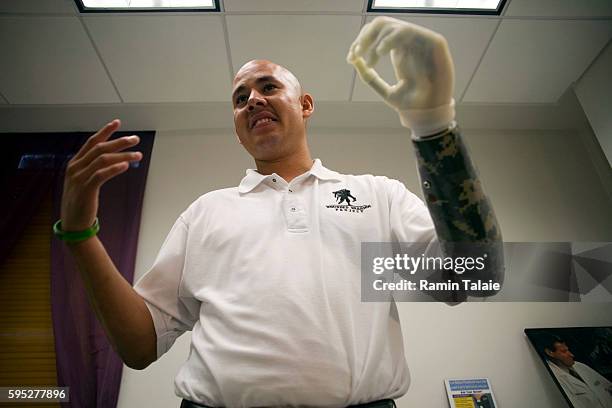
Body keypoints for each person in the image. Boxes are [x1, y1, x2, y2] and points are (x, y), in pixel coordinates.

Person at [54, 17, 502, 407]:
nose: (252, 99)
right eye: (240, 97)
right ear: (237, 129)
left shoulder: (378, 195)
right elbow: (139, 346)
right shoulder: (206, 212)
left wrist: (433, 127)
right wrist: (79, 234)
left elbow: (477, 276)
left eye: (268, 87)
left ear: (305, 106)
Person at [543, 335, 612, 408]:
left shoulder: (580, 366)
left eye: (568, 350)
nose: (572, 355)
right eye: (564, 351)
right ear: (550, 352)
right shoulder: (552, 378)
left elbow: (608, 386)